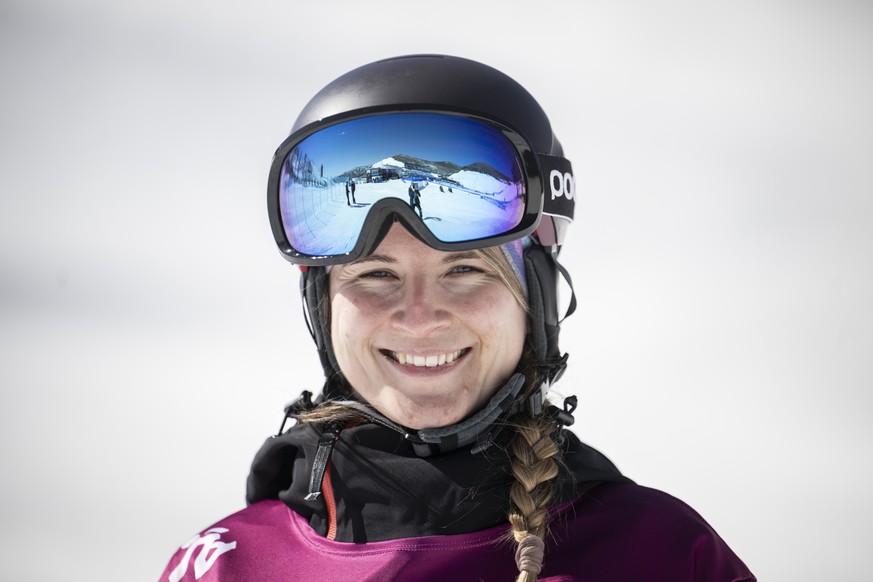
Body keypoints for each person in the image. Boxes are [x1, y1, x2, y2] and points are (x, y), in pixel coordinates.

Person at [161, 55, 756, 582]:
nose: (419, 318)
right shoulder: (228, 567)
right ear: (323, 304)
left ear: (537, 296)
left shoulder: (658, 555)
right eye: (376, 274)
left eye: (465, 271)